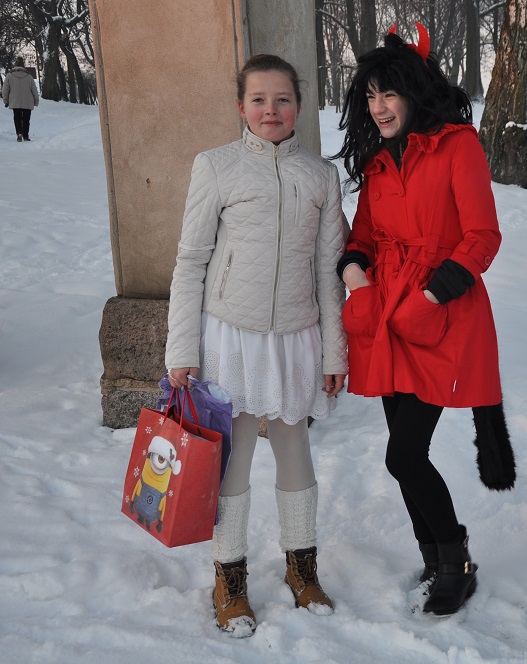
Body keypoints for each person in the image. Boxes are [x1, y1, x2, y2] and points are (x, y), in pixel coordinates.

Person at [165, 54, 348, 637]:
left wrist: (335, 352)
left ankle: (302, 567)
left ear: (300, 105)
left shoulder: (320, 176)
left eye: (283, 99)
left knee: (295, 448)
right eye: (259, 100)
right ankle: (230, 577)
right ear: (241, 106)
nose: (272, 110)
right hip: (230, 336)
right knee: (235, 454)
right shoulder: (215, 167)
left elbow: (330, 273)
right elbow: (191, 262)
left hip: (297, 335)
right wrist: (181, 349)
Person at [334, 24, 514, 617]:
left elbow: (482, 236)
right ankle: (436, 558)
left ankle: (457, 561)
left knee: (404, 455)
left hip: (440, 317)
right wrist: (356, 275)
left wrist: (432, 296)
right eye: (370, 96)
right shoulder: (378, 162)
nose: (378, 107)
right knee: (402, 452)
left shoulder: (458, 145)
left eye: (389, 93)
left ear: (415, 92)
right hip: (386, 317)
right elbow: (363, 236)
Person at [2, 56, 39, 142]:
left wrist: (5, 100)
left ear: (15, 65)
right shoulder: (28, 76)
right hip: (27, 101)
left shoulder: (9, 75)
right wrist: (36, 100)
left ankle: (19, 133)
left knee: (17, 118)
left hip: (15, 100)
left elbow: (5, 89)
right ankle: (26, 135)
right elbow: (34, 89)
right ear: (23, 65)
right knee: (26, 119)